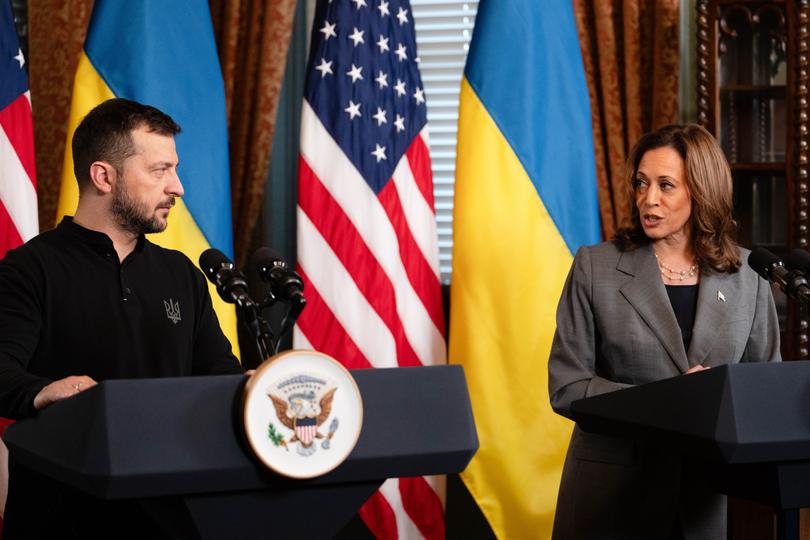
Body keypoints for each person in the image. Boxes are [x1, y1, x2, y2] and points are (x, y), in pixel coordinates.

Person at [0, 98, 244, 537]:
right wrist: (42, 392)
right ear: (103, 176)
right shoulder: (28, 269)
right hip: (64, 519)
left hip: (175, 519)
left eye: (174, 168)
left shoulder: (182, 274)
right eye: (159, 171)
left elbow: (219, 377)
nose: (178, 187)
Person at [548, 124, 781, 540]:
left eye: (665, 185)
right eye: (641, 183)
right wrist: (669, 401)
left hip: (710, 498)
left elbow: (764, 390)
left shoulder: (749, 276)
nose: (648, 199)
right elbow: (567, 387)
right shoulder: (594, 267)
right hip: (612, 496)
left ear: (701, 191)